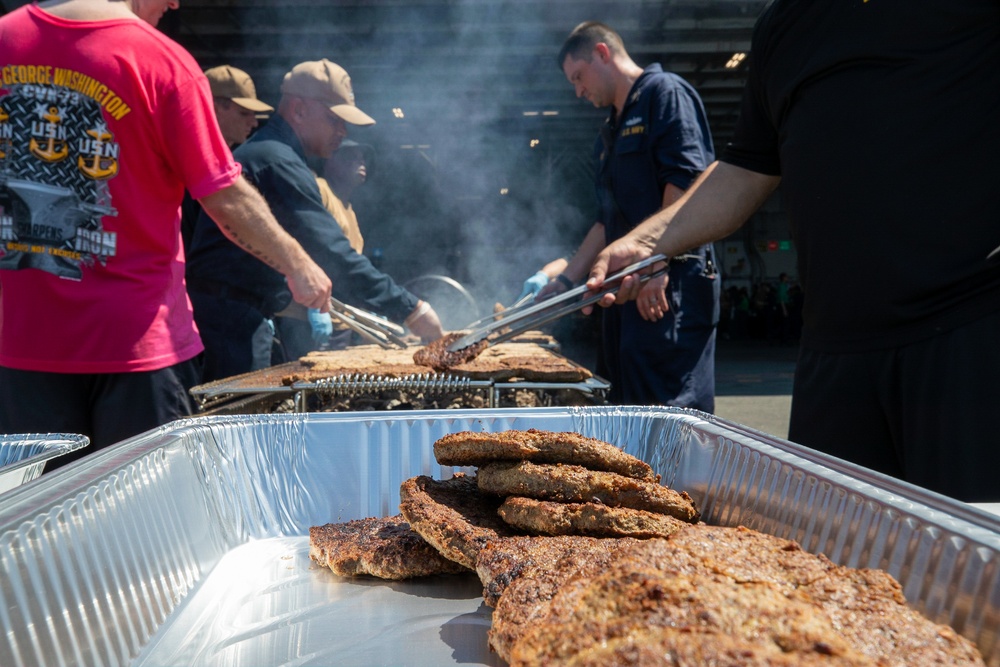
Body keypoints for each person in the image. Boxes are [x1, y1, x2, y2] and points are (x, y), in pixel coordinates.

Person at [585, 0, 1000, 502]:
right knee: (830, 561)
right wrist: (647, 244)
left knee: (972, 560)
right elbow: (746, 170)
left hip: (968, 335)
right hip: (834, 353)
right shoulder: (784, 25)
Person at [0, 0, 331, 466]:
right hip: (136, 353)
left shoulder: (5, 42)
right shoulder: (162, 62)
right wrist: (298, 264)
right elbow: (224, 196)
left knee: (35, 530)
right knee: (144, 531)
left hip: (19, 350)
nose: (175, 3)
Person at [186, 59, 443, 380]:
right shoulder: (277, 161)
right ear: (299, 109)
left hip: (238, 314)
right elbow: (331, 252)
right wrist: (411, 309)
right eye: (335, 119)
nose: (343, 131)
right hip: (229, 320)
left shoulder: (278, 156)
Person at [525, 21, 719, 410]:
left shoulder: (664, 95)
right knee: (625, 401)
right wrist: (564, 281)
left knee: (666, 408)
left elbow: (685, 183)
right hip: (625, 288)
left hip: (667, 283)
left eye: (579, 77)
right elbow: (605, 222)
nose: (579, 91)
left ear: (602, 53)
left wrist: (656, 264)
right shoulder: (609, 132)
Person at [180, 64, 273, 253]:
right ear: (214, 108)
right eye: (244, 113)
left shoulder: (221, 163)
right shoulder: (185, 165)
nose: (254, 123)